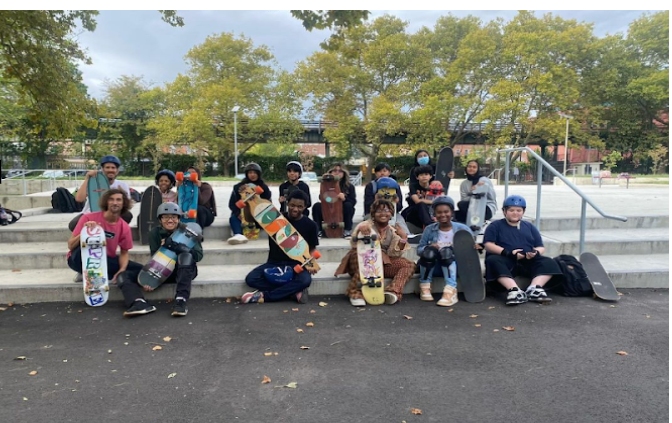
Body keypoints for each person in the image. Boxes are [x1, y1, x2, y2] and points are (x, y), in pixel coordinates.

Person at [66, 188, 149, 315]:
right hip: (77, 259)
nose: (115, 203)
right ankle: (84, 271)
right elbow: (71, 246)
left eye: (118, 200)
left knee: (141, 270)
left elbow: (124, 252)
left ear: (123, 203)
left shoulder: (124, 227)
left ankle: (137, 298)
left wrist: (121, 270)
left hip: (104, 261)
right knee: (80, 251)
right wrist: (84, 232)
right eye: (111, 199)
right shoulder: (88, 218)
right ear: (106, 202)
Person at [483, 195, 562, 305]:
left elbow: (540, 246)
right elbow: (488, 245)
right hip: (506, 260)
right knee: (493, 260)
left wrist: (535, 253)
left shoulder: (529, 226)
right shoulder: (495, 226)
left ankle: (534, 288)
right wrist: (508, 253)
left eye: (518, 210)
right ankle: (514, 290)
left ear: (523, 212)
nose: (515, 213)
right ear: (504, 211)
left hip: (526, 261)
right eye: (511, 210)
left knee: (548, 262)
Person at [335, 199, 416, 307]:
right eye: (378, 211)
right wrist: (360, 231)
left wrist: (403, 238)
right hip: (361, 261)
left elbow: (393, 254)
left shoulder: (392, 230)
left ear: (391, 213)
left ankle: (392, 291)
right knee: (362, 257)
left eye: (386, 210)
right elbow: (353, 244)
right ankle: (355, 293)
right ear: (373, 214)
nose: (383, 213)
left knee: (409, 264)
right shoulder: (365, 225)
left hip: (380, 265)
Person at [242, 190, 319, 304]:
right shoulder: (274, 219)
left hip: (296, 264)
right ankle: (292, 292)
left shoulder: (311, 225)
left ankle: (265, 296)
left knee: (305, 280)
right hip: (274, 262)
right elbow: (249, 219)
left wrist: (310, 262)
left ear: (305, 207)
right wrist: (248, 205)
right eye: (292, 205)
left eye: (300, 206)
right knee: (251, 279)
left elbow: (311, 248)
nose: (295, 209)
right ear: (287, 203)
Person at [142, 202, 203, 317]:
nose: (170, 220)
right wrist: (150, 279)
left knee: (185, 256)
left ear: (179, 219)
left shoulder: (189, 232)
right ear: (160, 219)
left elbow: (198, 256)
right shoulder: (154, 233)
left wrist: (176, 246)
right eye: (165, 217)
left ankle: (181, 300)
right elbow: (155, 259)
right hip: (165, 272)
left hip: (186, 271)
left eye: (173, 217)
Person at [416, 196, 473, 306]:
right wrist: (429, 247)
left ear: (452, 212)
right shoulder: (429, 229)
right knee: (429, 251)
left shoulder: (462, 229)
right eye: (439, 212)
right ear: (435, 214)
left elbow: (471, 251)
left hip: (454, 266)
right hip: (434, 266)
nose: (442, 215)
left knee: (446, 252)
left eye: (446, 212)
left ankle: (451, 291)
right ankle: (425, 287)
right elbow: (419, 250)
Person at [69, 155, 133, 232]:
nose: (110, 170)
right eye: (107, 167)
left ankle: (113, 234)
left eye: (113, 168)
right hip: (91, 213)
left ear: (117, 170)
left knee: (127, 215)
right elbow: (79, 199)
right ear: (102, 169)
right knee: (73, 225)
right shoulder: (92, 182)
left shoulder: (122, 185)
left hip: (112, 214)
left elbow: (126, 206)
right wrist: (87, 179)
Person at [228, 163, 272, 245]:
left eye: (255, 173)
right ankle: (238, 235)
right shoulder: (238, 187)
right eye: (250, 173)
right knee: (233, 218)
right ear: (247, 174)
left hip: (258, 214)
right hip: (243, 214)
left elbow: (268, 203)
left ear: (258, 174)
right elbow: (231, 204)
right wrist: (238, 213)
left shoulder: (264, 187)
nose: (252, 175)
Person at [312, 162, 356, 238]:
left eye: (340, 171)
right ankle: (318, 230)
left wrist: (344, 199)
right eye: (335, 171)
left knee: (348, 206)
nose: (337, 173)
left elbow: (353, 202)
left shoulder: (349, 186)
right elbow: (322, 198)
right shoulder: (326, 184)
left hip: (341, 211)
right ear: (331, 172)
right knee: (316, 206)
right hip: (328, 209)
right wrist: (328, 197)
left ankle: (347, 230)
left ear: (344, 173)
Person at [454, 160, 497, 227]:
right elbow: (464, 199)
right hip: (472, 207)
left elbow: (492, 197)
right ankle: (473, 220)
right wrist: (472, 193)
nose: (471, 169)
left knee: (462, 207)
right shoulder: (464, 184)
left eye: (474, 167)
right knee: (455, 212)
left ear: (477, 169)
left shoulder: (484, 180)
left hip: (486, 208)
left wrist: (485, 187)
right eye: (469, 166)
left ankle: (482, 220)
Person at [401, 165, 435, 231]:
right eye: (421, 175)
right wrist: (433, 201)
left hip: (431, 210)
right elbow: (417, 201)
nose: (424, 176)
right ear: (417, 177)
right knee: (421, 204)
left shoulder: (434, 186)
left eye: (426, 174)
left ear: (430, 176)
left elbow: (441, 198)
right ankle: (429, 225)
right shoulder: (414, 186)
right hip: (415, 211)